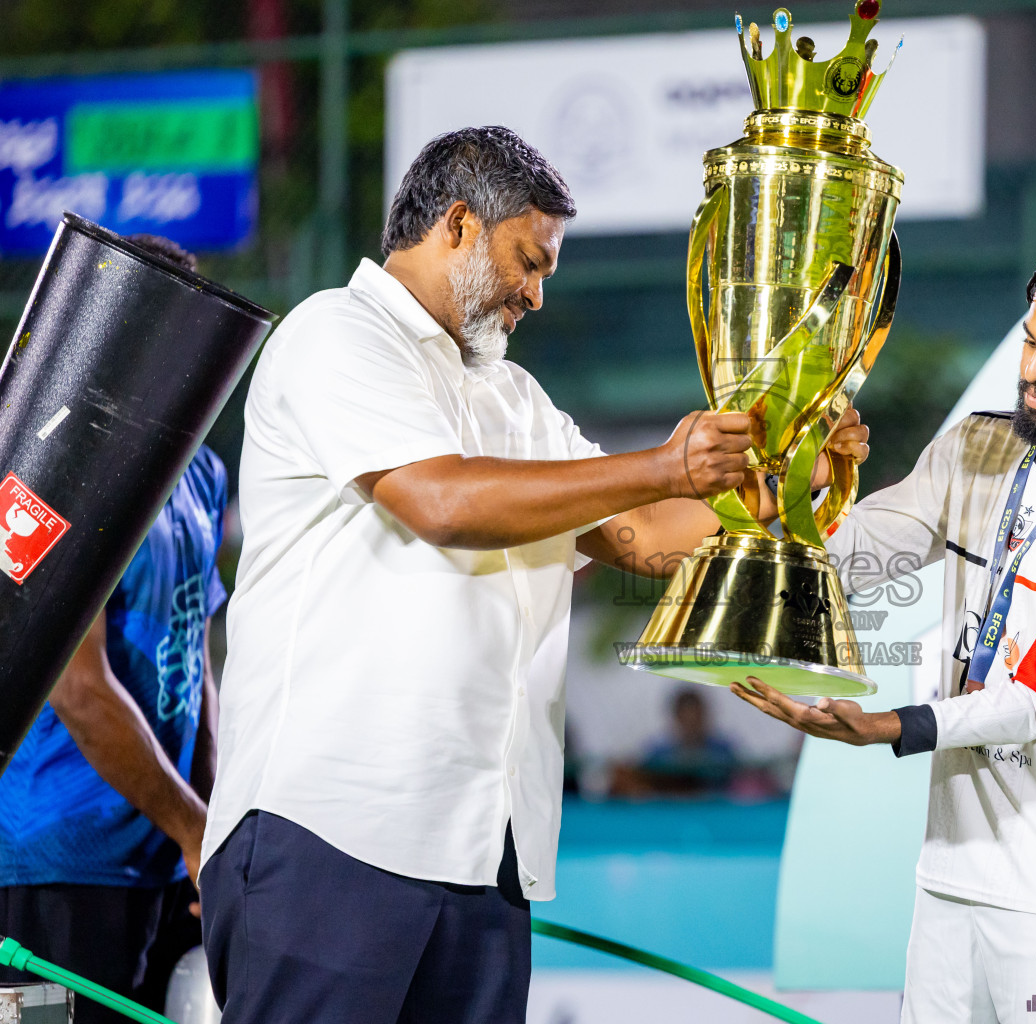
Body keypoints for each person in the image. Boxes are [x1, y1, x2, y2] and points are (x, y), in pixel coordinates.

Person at [197, 125, 868, 1024]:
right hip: (332, 834)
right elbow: (442, 502)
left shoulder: (514, 398)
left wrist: (796, 472)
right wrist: (662, 464)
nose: (538, 294)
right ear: (460, 225)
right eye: (529, 261)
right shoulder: (334, 334)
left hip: (487, 851)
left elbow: (639, 537)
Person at [733, 220, 1036, 1023]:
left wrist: (887, 727)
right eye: (1032, 343)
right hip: (950, 868)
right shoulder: (977, 447)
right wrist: (808, 480)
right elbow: (861, 551)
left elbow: (1033, 701)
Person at [0, 235, 226, 1021]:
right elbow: (78, 689)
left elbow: (196, 652)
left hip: (164, 857)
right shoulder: (49, 458)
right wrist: (196, 827)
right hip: (56, 860)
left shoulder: (199, 465)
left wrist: (212, 820)